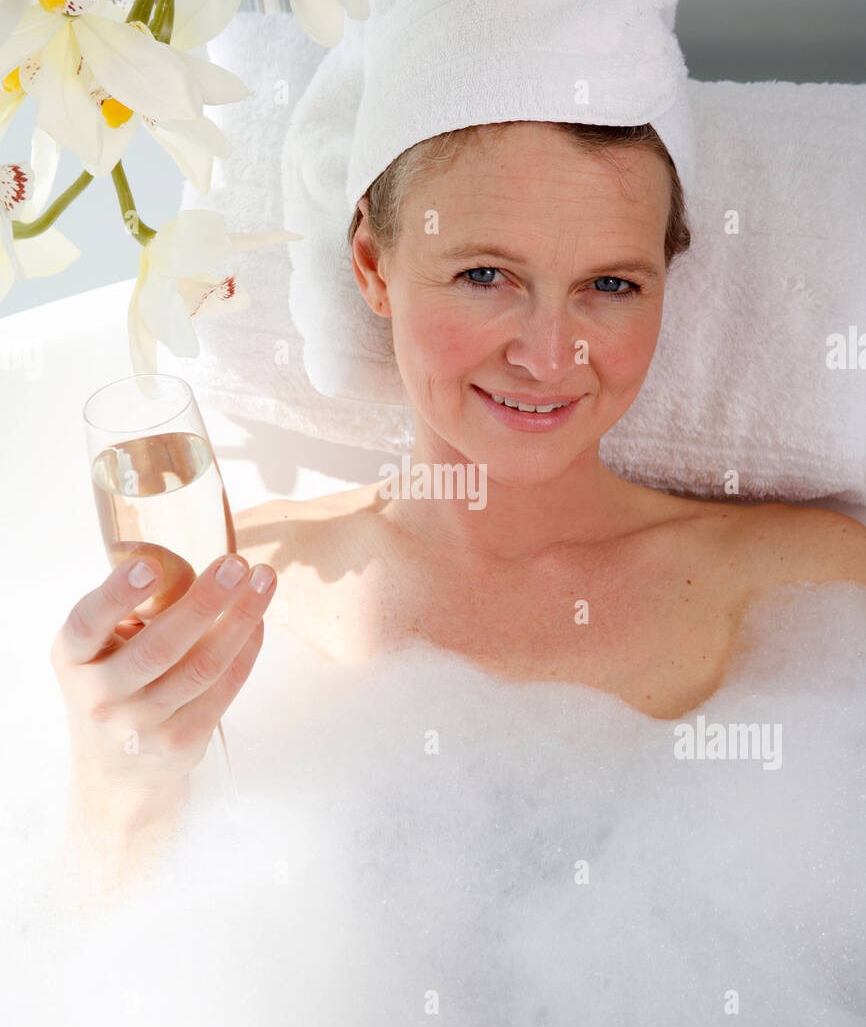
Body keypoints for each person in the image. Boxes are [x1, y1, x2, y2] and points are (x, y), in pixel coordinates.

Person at [50, 114, 866, 894]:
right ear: (373, 265)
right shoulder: (235, 598)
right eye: (485, 275)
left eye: (610, 284)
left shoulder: (810, 588)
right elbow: (124, 977)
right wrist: (123, 782)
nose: (548, 356)